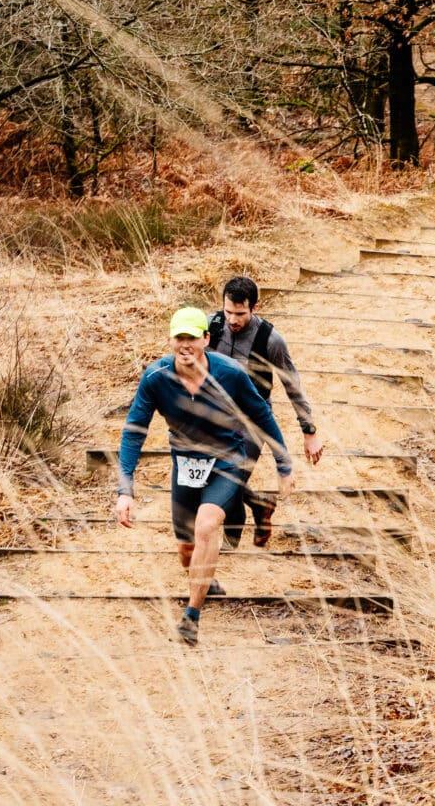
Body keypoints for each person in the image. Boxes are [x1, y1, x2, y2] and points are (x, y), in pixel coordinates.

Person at [114, 307, 295, 646]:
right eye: (179, 337)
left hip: (227, 462)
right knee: (187, 550)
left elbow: (262, 416)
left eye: (192, 338)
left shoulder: (229, 373)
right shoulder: (156, 377)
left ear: (206, 339)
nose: (186, 345)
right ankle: (204, 579)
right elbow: (134, 431)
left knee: (207, 526)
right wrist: (125, 489)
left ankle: (191, 616)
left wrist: (284, 465)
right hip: (185, 466)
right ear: (171, 340)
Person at [207, 276, 324, 549]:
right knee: (210, 473)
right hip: (218, 416)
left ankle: (230, 540)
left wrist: (309, 431)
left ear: (255, 308)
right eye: (228, 312)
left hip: (253, 419)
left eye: (240, 313)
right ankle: (260, 506)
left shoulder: (270, 339)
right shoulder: (212, 327)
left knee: (232, 477)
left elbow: (292, 386)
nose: (232, 320)